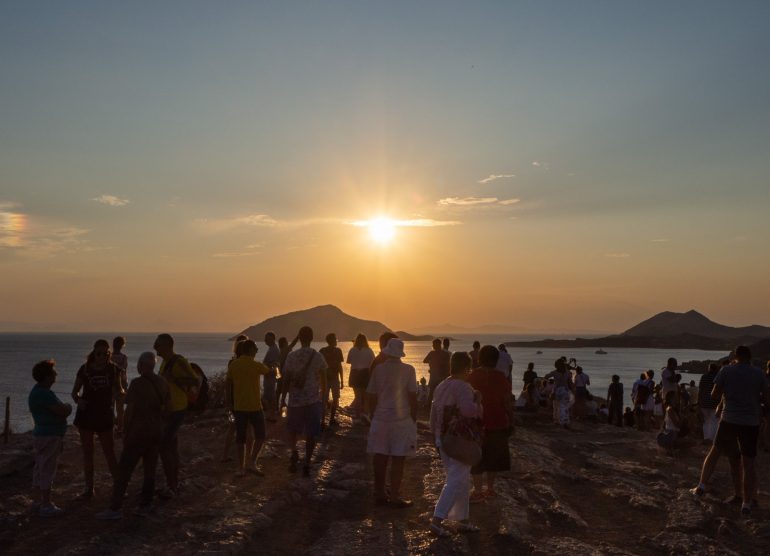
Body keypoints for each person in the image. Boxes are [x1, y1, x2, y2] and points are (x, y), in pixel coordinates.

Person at [691, 346, 770, 515]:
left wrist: (729, 393)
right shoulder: (759, 373)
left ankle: (701, 487)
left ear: (735, 356)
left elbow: (714, 395)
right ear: (750, 357)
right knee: (748, 463)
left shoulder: (726, 370)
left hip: (729, 420)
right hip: (750, 422)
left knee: (715, 452)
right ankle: (746, 504)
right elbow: (767, 398)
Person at [96, 352, 170, 519]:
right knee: (150, 470)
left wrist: (124, 430)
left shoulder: (137, 383)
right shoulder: (162, 382)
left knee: (124, 470)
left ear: (141, 366)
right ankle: (145, 505)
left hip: (138, 432)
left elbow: (129, 410)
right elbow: (168, 408)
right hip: (156, 431)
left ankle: (115, 508)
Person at [429, 351, 482, 537]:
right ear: (467, 368)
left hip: (442, 438)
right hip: (459, 439)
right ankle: (437, 521)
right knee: (456, 479)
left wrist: (435, 436)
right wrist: (478, 402)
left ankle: (462, 520)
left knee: (461, 480)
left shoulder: (441, 385)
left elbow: (433, 413)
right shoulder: (463, 387)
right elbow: (468, 411)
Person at [366, 338, 418, 507]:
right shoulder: (409, 370)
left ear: (387, 352)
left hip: (381, 418)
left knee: (380, 456)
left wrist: (373, 414)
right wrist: (414, 418)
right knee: (398, 458)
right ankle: (395, 496)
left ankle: (380, 493)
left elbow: (371, 395)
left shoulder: (378, 369)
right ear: (400, 353)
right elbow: (412, 396)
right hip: (401, 419)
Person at [71, 339, 122, 498]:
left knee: (109, 452)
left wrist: (121, 399)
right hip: (86, 415)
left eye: (106, 354)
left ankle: (119, 486)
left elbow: (119, 390)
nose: (102, 357)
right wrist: (79, 400)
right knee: (88, 452)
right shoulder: (85, 369)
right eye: (99, 353)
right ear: (94, 353)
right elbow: (74, 392)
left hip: (105, 415)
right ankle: (89, 488)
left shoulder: (113, 369)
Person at [154, 333, 201, 496]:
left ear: (167, 345)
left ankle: (172, 485)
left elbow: (195, 381)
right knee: (171, 446)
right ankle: (173, 483)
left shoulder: (178, 361)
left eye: (158, 344)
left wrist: (174, 379)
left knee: (164, 446)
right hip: (168, 410)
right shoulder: (165, 362)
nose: (155, 347)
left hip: (177, 409)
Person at [468, 345, 514, 500]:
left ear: (480, 358)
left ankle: (477, 490)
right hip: (498, 422)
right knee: (493, 457)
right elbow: (506, 402)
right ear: (496, 359)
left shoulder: (471, 376)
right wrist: (511, 420)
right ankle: (490, 488)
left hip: (476, 423)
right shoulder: (501, 377)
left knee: (477, 457)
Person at [29, 360, 72, 517]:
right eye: (53, 372)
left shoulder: (38, 391)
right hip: (49, 436)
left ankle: (36, 501)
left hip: (43, 435)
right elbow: (62, 411)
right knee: (47, 469)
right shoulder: (44, 394)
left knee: (40, 468)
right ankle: (46, 505)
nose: (56, 374)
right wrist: (69, 407)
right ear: (47, 376)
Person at [282, 326, 327, 477]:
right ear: (312, 338)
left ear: (299, 338)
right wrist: (323, 398)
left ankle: (294, 451)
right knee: (311, 433)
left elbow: (286, 379)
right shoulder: (318, 356)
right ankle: (307, 462)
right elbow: (324, 380)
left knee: (292, 430)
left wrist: (282, 398)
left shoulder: (291, 356)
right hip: (312, 400)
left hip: (295, 400)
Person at [227, 339, 270, 476]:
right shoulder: (256, 365)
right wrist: (274, 366)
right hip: (255, 406)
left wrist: (229, 403)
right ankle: (252, 462)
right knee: (261, 435)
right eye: (256, 348)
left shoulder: (234, 365)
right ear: (250, 350)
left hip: (239, 406)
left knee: (240, 438)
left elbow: (228, 384)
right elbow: (268, 371)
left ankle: (241, 467)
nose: (257, 350)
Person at [347, 333, 375, 424]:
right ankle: (365, 414)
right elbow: (373, 362)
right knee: (365, 396)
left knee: (357, 396)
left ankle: (357, 416)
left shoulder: (352, 350)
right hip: (365, 373)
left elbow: (349, 361)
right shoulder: (369, 350)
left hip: (355, 373)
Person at [320, 333, 345, 427]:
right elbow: (339, 366)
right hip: (333, 379)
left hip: (325, 379)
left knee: (324, 399)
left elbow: (319, 367)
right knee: (335, 399)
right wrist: (342, 380)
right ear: (333, 341)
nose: (336, 340)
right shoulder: (338, 351)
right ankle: (331, 419)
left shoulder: (322, 351)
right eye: (335, 339)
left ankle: (323, 420)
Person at [544, 359, 574, 428]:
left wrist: (548, 382)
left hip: (557, 390)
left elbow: (546, 377)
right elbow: (570, 383)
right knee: (564, 406)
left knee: (556, 406)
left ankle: (557, 420)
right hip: (565, 390)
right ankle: (565, 421)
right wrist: (572, 391)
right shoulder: (568, 373)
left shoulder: (554, 372)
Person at [424, 338, 450, 407]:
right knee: (441, 392)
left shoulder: (432, 353)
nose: (433, 345)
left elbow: (425, 360)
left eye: (433, 344)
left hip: (434, 376)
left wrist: (432, 362)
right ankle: (440, 405)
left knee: (432, 392)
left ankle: (429, 405)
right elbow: (448, 364)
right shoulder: (445, 354)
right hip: (442, 376)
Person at [698, 363, 720, 443]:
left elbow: (700, 390)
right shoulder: (717, 377)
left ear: (709, 369)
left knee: (706, 421)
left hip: (704, 402)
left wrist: (698, 402)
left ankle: (706, 438)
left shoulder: (703, 377)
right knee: (714, 421)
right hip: (714, 402)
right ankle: (712, 439)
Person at [111, 336, 128, 436]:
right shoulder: (124, 357)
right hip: (121, 384)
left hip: (112, 385)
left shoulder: (109, 357)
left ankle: (114, 427)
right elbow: (124, 371)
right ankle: (120, 428)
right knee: (120, 409)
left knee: (111, 408)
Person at [262, 332, 281, 422]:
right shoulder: (272, 349)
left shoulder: (273, 350)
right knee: (269, 395)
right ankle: (270, 414)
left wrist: (267, 369)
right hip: (269, 375)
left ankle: (271, 415)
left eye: (267, 338)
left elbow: (275, 364)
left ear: (272, 339)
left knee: (270, 396)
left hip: (270, 375)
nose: (265, 340)